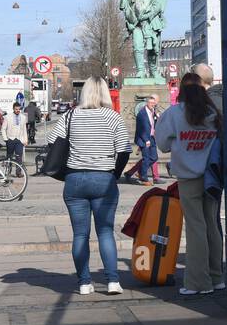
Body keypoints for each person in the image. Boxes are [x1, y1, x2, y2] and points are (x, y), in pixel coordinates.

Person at [47, 77, 131, 295]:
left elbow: (52, 142)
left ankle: (84, 283)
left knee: (80, 235)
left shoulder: (70, 115)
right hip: (104, 178)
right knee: (105, 232)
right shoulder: (113, 117)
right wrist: (115, 174)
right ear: (105, 92)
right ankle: (113, 281)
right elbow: (124, 150)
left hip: (74, 180)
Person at [157, 74, 223, 296]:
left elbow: (162, 144)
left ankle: (197, 282)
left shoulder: (174, 113)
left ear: (182, 91)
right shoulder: (212, 113)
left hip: (188, 176)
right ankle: (217, 276)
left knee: (195, 227)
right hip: (213, 176)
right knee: (211, 225)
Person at [134, 95, 159, 186]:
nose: (153, 105)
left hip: (152, 137)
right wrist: (146, 140)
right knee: (146, 158)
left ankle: (141, 172)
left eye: (154, 103)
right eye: (151, 103)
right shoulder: (142, 114)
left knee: (154, 157)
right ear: (147, 103)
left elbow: (153, 123)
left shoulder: (153, 111)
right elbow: (141, 128)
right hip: (144, 139)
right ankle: (144, 178)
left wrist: (157, 118)